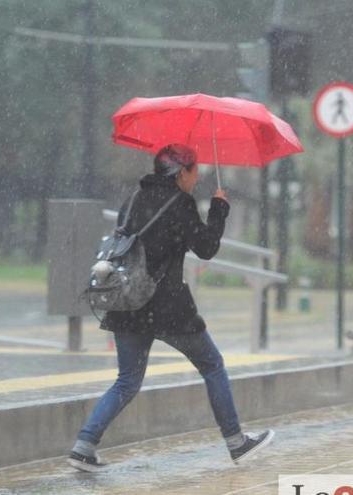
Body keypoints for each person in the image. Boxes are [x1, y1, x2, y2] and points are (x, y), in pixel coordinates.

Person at [67, 143, 274, 472]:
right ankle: (237, 443)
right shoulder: (181, 203)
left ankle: (84, 446)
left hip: (127, 302)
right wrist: (219, 209)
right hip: (167, 307)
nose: (197, 178)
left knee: (127, 381)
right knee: (213, 366)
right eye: (195, 172)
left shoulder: (133, 198)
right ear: (181, 173)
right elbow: (206, 248)